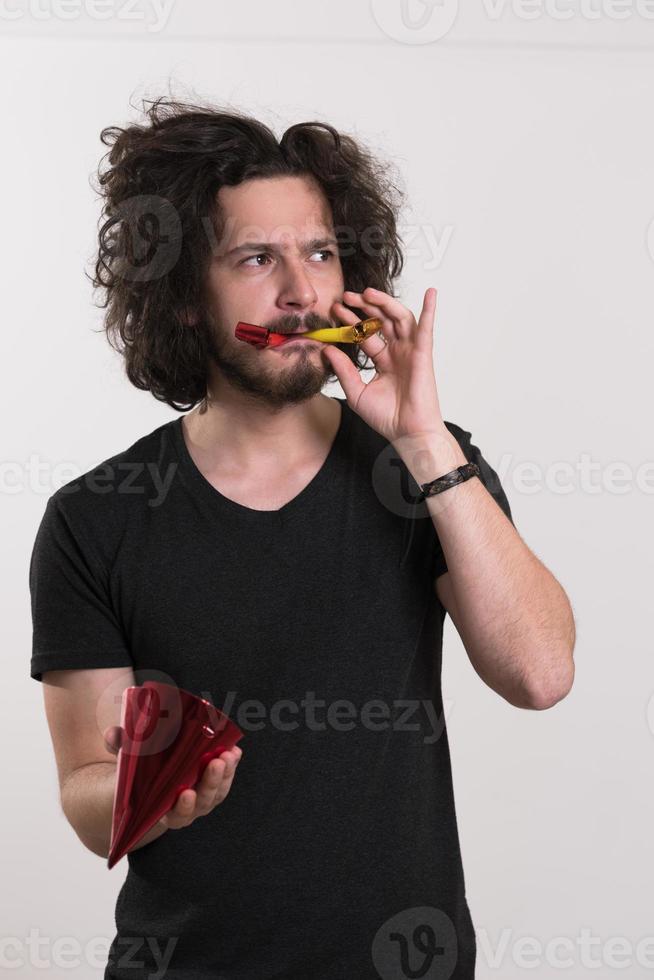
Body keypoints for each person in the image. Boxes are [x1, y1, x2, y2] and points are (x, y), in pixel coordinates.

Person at [29, 97, 576, 980]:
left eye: (320, 253)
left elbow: (541, 675)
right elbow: (87, 796)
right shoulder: (96, 519)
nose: (302, 293)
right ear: (183, 302)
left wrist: (426, 442)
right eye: (256, 259)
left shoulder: (424, 472)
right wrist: (155, 798)